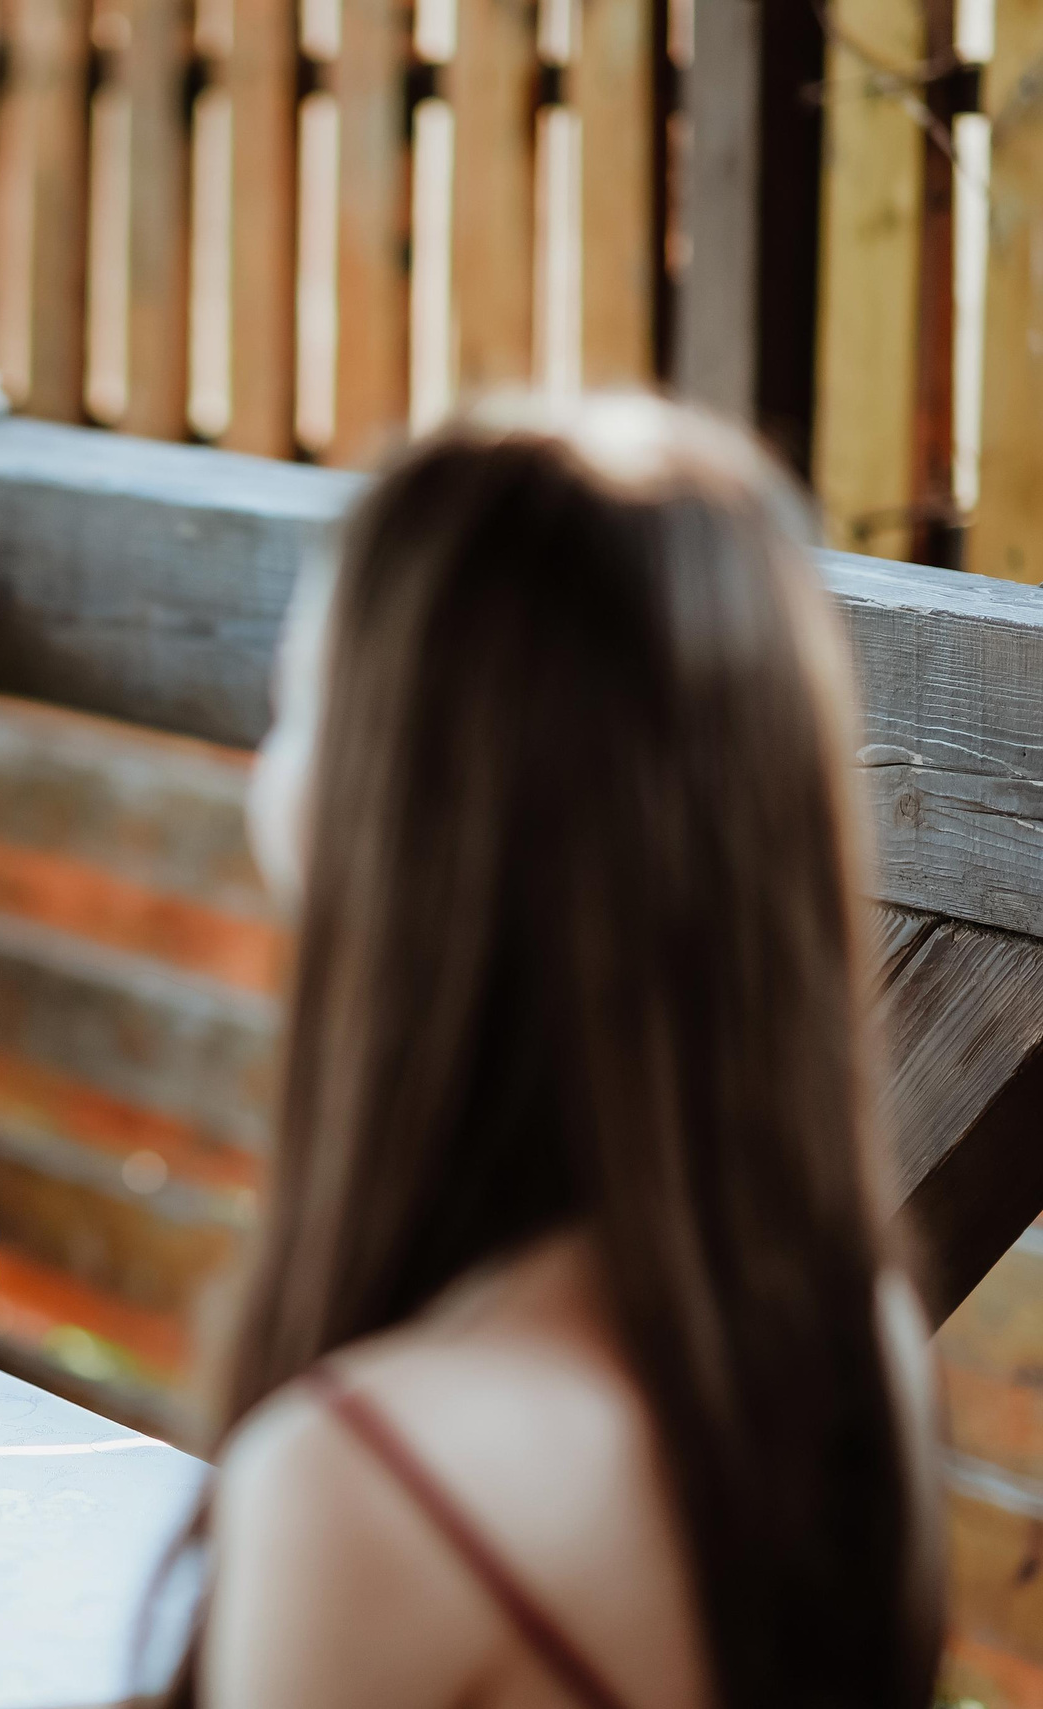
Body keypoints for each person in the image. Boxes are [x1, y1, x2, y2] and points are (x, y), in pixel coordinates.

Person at [179, 397, 944, 1708]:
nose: (271, 768)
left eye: (303, 707)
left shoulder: (357, 1482)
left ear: (410, 824)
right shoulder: (861, 1347)